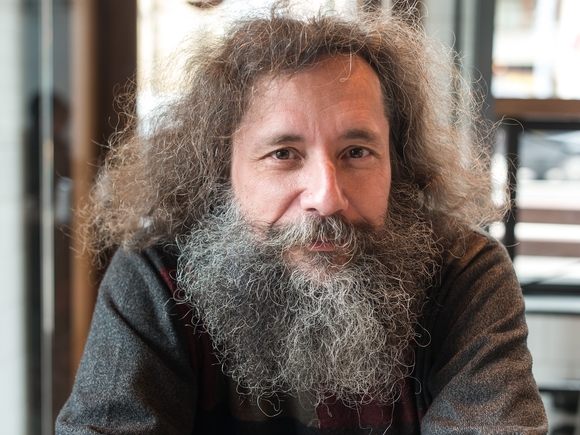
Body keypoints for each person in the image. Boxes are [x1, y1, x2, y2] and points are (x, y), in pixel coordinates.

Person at [56, 7, 548, 434]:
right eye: (283, 154)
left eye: (357, 152)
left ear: (398, 165)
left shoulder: (464, 274)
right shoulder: (157, 276)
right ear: (221, 173)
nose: (327, 198)